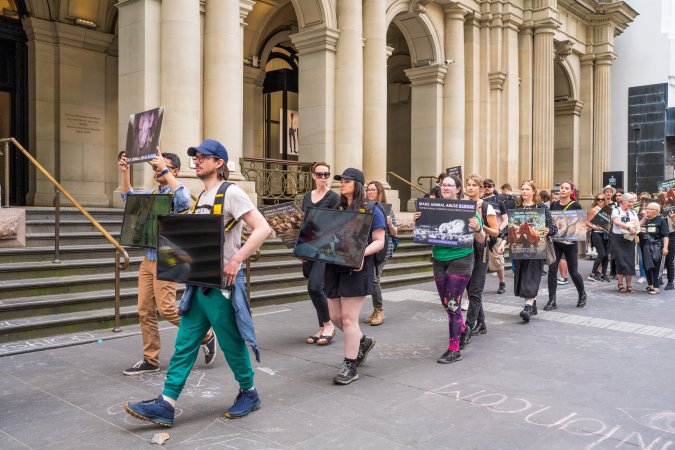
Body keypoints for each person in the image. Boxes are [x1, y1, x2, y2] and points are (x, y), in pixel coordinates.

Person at [124, 139, 272, 426]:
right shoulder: (202, 196)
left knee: (231, 343)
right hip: (199, 282)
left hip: (223, 283)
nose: (197, 160)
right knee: (184, 343)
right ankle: (166, 403)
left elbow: (263, 228)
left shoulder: (232, 193)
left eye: (204, 157)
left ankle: (249, 392)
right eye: (196, 156)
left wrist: (237, 258)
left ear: (219, 163)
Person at [118, 149, 217, 375]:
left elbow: (184, 201)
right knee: (144, 310)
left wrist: (163, 168)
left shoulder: (176, 193)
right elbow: (128, 200)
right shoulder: (154, 194)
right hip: (148, 258)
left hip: (168, 257)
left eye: (161, 167)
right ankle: (150, 359)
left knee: (167, 309)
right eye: (155, 168)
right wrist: (125, 171)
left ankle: (206, 335)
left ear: (174, 171)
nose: (157, 171)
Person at [414, 174, 486, 363]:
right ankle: (463, 329)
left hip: (461, 260)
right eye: (443, 185)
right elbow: (426, 234)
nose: (445, 188)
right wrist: (419, 222)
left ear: (458, 189)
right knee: (446, 303)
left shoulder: (468, 209)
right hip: (439, 258)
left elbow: (482, 239)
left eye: (449, 185)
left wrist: (478, 228)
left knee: (454, 304)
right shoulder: (433, 207)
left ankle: (454, 349)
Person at [325, 168, 385, 385]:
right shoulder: (336, 207)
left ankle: (350, 365)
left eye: (347, 181)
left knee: (349, 319)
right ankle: (363, 341)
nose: (342, 184)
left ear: (357, 184)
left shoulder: (371, 208)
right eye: (341, 181)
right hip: (333, 266)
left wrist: (361, 254)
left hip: (357, 268)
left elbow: (380, 241)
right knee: (335, 317)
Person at [301, 162, 340, 345]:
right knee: (318, 289)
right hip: (308, 246)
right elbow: (304, 222)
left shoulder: (333, 197)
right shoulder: (307, 196)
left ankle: (329, 325)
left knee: (315, 287)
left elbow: (335, 223)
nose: (323, 177)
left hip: (325, 247)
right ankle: (322, 326)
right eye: (320, 174)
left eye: (327, 174)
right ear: (313, 176)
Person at [510, 180, 557, 323]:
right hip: (519, 249)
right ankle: (533, 304)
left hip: (537, 249)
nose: (524, 191)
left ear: (533, 192)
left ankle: (527, 307)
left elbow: (553, 229)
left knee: (532, 275)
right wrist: (504, 241)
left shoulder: (541, 208)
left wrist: (548, 230)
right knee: (523, 275)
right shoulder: (516, 208)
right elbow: (511, 228)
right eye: (522, 189)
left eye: (527, 189)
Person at [545, 181, 587, 310]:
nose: (562, 190)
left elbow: (580, 225)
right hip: (556, 242)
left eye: (566, 188)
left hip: (570, 243)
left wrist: (575, 235)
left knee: (573, 272)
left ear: (571, 191)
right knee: (552, 270)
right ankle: (552, 300)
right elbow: (549, 221)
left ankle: (582, 294)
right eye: (561, 188)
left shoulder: (575, 205)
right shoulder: (553, 205)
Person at [464, 174, 498, 337]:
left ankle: (468, 326)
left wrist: (480, 227)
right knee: (470, 289)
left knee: (476, 289)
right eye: (468, 185)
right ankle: (482, 323)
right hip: (463, 250)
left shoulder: (486, 207)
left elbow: (496, 231)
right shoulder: (461, 205)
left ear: (481, 189)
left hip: (481, 251)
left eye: (473, 185)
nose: (470, 187)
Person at [364, 180, 398, 326]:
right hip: (369, 246)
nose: (370, 192)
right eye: (368, 190)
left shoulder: (387, 209)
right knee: (373, 278)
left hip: (384, 248)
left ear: (379, 192)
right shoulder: (365, 207)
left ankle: (379, 310)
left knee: (374, 278)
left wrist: (390, 224)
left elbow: (396, 232)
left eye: (373, 190)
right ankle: (375, 309)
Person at [482, 178, 508, 294]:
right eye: (485, 185)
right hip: (481, 234)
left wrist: (499, 229)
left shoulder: (499, 201)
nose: (487, 187)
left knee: (497, 261)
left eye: (489, 186)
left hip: (495, 235)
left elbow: (506, 219)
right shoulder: (479, 201)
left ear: (493, 187)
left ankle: (502, 283)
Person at [610, 193, 639, 293]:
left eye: (632, 202)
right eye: (629, 202)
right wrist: (628, 227)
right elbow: (616, 222)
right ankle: (620, 284)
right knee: (621, 261)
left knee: (629, 261)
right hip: (617, 238)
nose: (631, 204)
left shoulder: (633, 212)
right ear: (623, 201)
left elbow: (637, 224)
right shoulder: (616, 210)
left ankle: (629, 285)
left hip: (629, 239)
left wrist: (642, 220)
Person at [638, 202, 669, 295]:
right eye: (646, 208)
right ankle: (650, 285)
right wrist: (644, 218)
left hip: (656, 246)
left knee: (655, 267)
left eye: (649, 209)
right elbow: (637, 228)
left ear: (656, 211)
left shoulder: (661, 220)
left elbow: (666, 235)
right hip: (644, 246)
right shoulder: (644, 220)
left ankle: (656, 288)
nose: (646, 210)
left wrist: (665, 247)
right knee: (646, 266)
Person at [587, 193, 611, 282]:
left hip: (606, 233)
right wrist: (595, 227)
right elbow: (588, 222)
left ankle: (603, 274)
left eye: (602, 199)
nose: (600, 201)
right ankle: (593, 273)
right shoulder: (594, 210)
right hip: (596, 233)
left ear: (605, 200)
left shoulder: (608, 209)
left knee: (606, 255)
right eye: (598, 199)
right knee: (601, 254)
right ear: (596, 200)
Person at [665, 211, 675, 290]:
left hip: (671, 236)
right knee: (657, 259)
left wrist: (674, 219)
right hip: (659, 235)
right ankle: (658, 279)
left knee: (669, 259)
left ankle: (670, 282)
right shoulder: (658, 206)